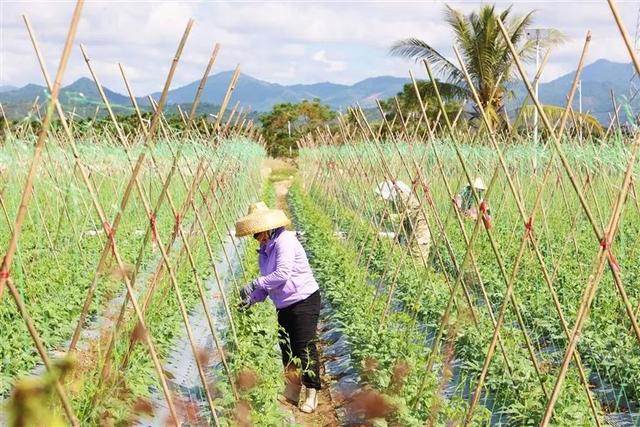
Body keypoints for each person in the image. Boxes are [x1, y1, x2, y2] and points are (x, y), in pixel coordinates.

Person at [235, 202, 321, 414]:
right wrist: (253, 298)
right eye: (255, 236)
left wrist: (254, 283)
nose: (259, 238)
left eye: (259, 234)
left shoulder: (285, 241)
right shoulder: (264, 251)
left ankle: (312, 394)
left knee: (304, 348)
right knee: (287, 349)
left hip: (304, 300)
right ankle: (292, 390)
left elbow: (281, 275)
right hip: (284, 304)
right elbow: (268, 284)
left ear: (270, 228)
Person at [375, 179, 431, 260]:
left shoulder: (403, 197)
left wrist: (390, 217)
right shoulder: (397, 199)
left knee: (418, 258)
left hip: (419, 231)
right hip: (411, 231)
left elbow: (407, 214)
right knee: (409, 256)